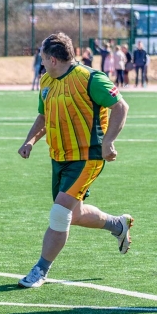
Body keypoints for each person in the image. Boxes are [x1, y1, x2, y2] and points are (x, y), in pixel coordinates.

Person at [16, 32, 132, 288]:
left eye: (43, 57)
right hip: (59, 158)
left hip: (87, 157)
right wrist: (29, 141)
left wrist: (108, 142)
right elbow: (43, 117)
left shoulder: (91, 79)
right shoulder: (46, 80)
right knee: (73, 214)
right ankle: (117, 225)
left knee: (59, 213)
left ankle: (40, 270)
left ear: (54, 59)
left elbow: (121, 106)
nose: (41, 62)